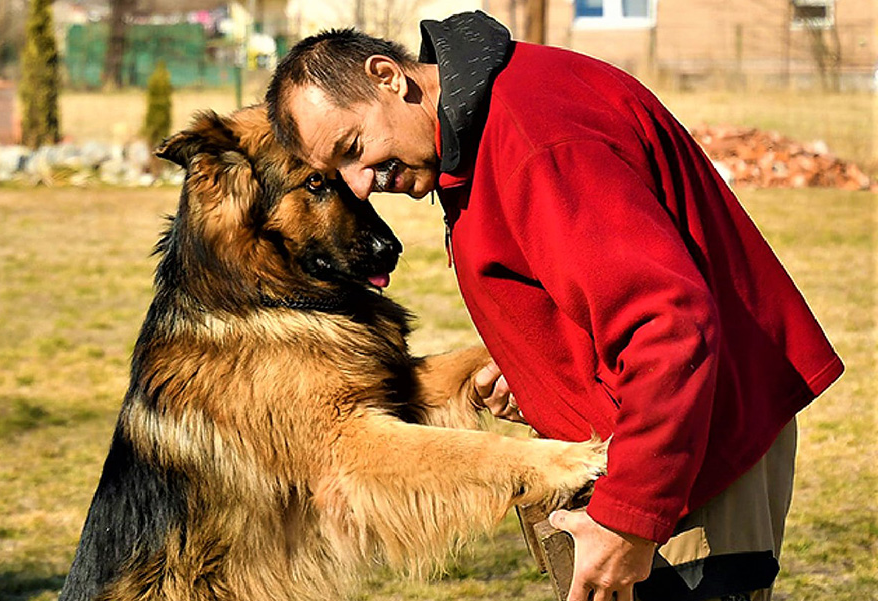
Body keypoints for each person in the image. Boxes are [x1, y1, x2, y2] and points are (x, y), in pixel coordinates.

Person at [265, 12, 843, 601]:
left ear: (388, 77)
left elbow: (666, 325)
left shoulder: (532, 136)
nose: (361, 185)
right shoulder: (479, 128)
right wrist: (539, 369)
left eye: (353, 148)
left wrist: (628, 518)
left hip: (689, 468)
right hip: (665, 450)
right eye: (336, 172)